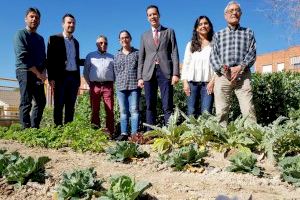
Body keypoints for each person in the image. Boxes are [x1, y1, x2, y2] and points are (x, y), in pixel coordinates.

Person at [209, 1, 257, 126]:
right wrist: (224, 70)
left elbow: (252, 53)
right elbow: (213, 56)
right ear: (225, 15)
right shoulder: (218, 35)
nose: (234, 13)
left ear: (240, 14)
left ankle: (252, 137)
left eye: (237, 10)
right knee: (221, 111)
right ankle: (221, 138)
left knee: (248, 109)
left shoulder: (249, 32)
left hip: (243, 75)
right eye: (231, 11)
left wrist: (240, 67)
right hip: (223, 76)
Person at [138, 5, 180, 131]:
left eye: (154, 14)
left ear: (159, 15)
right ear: (147, 18)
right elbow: (141, 57)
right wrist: (139, 77)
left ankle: (170, 132)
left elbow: (174, 53)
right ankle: (150, 133)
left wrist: (176, 73)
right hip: (148, 73)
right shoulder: (144, 36)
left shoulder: (169, 31)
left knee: (167, 104)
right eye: (150, 15)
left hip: (165, 71)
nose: (152, 17)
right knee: (150, 105)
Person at [47, 14, 83, 126]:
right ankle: (58, 129)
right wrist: (51, 78)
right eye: (69, 22)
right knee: (58, 104)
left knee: (70, 105)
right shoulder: (54, 39)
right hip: (60, 77)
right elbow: (50, 60)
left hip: (73, 77)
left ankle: (68, 129)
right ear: (63, 24)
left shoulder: (76, 42)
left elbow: (76, 60)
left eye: (73, 23)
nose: (71, 25)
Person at [14, 7, 46, 129]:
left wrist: (43, 72)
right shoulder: (20, 34)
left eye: (37, 18)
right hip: (25, 72)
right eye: (31, 16)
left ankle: (34, 128)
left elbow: (43, 58)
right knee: (26, 102)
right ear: (25, 19)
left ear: (39, 21)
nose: (34, 19)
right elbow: (23, 56)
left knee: (41, 102)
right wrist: (38, 73)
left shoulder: (40, 39)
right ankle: (25, 130)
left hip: (38, 74)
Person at [181, 16, 215, 117]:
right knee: (191, 112)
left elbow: (218, 65)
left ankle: (205, 133)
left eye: (205, 23)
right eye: (200, 24)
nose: (203, 26)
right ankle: (192, 133)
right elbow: (186, 64)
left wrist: (213, 82)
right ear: (196, 28)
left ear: (209, 26)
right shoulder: (190, 44)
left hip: (208, 84)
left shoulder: (214, 44)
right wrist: (185, 83)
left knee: (206, 112)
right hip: (192, 84)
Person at [83, 35, 115, 137]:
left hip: (108, 86)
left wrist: (111, 84)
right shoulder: (90, 56)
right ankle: (95, 133)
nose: (103, 45)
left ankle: (110, 133)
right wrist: (90, 84)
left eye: (105, 43)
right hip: (94, 86)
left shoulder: (112, 57)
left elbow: (115, 72)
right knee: (95, 110)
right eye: (101, 43)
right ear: (97, 44)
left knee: (109, 109)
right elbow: (85, 72)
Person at [114, 30, 140, 141]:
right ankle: (124, 133)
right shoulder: (117, 55)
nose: (124, 40)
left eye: (126, 37)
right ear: (119, 40)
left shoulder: (137, 53)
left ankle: (134, 135)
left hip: (134, 85)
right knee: (123, 111)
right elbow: (115, 71)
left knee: (134, 110)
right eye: (122, 38)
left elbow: (140, 68)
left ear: (130, 38)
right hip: (120, 87)